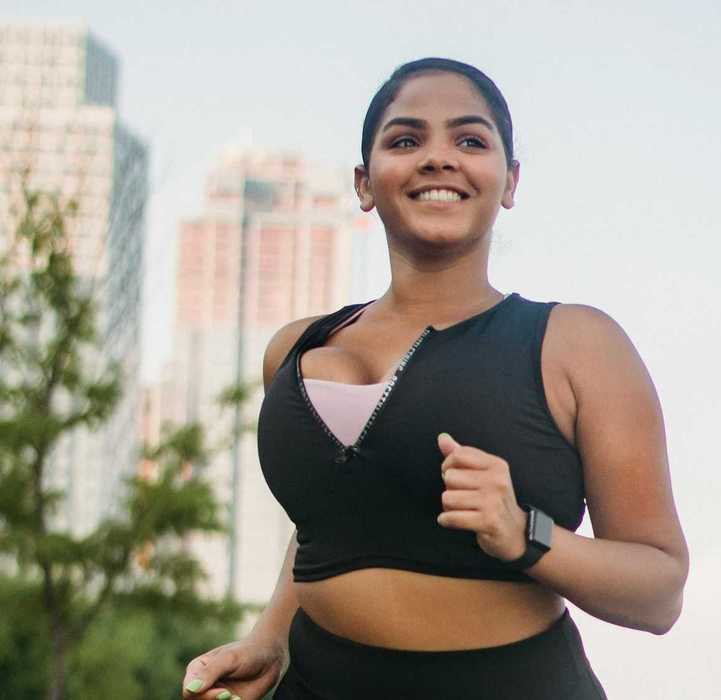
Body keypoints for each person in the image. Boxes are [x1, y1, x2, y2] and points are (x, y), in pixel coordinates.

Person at [179, 57, 689, 699]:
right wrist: (269, 639)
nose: (438, 158)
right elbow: (326, 524)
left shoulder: (579, 345)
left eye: (471, 140)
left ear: (509, 181)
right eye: (406, 140)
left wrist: (526, 533)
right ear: (365, 184)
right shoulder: (294, 352)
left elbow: (660, 592)